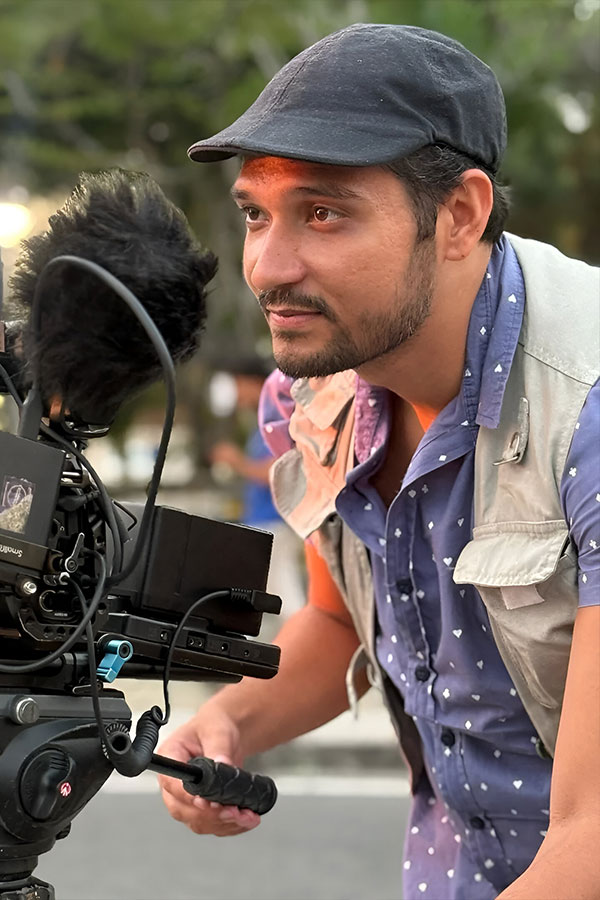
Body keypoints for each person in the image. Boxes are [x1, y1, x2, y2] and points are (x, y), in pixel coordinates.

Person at [158, 24, 599, 900]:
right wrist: (232, 718)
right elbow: (341, 624)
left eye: (323, 212)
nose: (267, 267)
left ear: (460, 215)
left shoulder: (584, 406)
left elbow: (593, 831)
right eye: (256, 213)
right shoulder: (312, 396)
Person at [208, 357, 306, 628]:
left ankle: (303, 644)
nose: (236, 395)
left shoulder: (278, 413)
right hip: (265, 524)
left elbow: (279, 471)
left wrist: (237, 461)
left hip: (274, 523)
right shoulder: (264, 419)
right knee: (277, 600)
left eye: (237, 384)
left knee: (286, 601)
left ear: (250, 382)